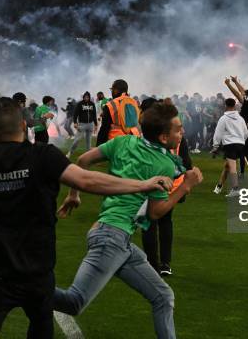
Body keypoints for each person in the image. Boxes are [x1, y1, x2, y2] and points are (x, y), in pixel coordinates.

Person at [0, 90, 173, 339]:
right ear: (24, 126)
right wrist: (144, 184)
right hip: (36, 278)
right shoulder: (42, 157)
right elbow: (87, 180)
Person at [54, 102, 203, 339]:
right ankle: (14, 286)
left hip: (118, 239)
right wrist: (185, 186)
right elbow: (155, 213)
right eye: (178, 129)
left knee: (163, 296)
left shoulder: (124, 141)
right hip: (111, 239)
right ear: (164, 138)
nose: (182, 132)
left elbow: (83, 161)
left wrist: (74, 195)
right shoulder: (162, 163)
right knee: (74, 302)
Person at [139, 98, 193, 277]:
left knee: (149, 223)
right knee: (165, 222)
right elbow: (186, 162)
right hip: (172, 187)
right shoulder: (174, 134)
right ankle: (165, 263)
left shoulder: (143, 138)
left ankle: (152, 264)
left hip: (150, 186)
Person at [212, 98, 248, 197]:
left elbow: (218, 133)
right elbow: (246, 133)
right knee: (227, 166)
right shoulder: (241, 119)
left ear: (225, 105)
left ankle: (235, 188)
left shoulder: (223, 118)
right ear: (235, 105)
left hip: (230, 145)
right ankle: (219, 187)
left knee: (232, 167)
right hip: (240, 144)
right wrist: (241, 140)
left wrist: (215, 146)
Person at [224, 76, 248, 178]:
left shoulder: (246, 102)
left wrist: (228, 84)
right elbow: (242, 91)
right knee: (247, 151)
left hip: (243, 128)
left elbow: (237, 93)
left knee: (242, 151)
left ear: (246, 96)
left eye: (244, 94)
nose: (242, 93)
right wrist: (236, 81)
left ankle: (242, 173)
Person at [96, 79, 140, 145]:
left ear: (116, 90)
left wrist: (99, 146)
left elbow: (104, 129)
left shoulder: (111, 104)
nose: (112, 92)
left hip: (117, 142)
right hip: (134, 140)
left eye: (112, 90)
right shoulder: (134, 102)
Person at [68, 91, 97, 157]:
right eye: (85, 97)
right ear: (83, 97)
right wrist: (75, 122)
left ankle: (87, 156)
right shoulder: (80, 104)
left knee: (88, 142)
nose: (86, 98)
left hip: (90, 124)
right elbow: (75, 114)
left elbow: (94, 114)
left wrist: (96, 124)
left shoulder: (92, 104)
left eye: (88, 97)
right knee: (77, 140)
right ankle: (70, 152)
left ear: (89, 97)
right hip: (82, 124)